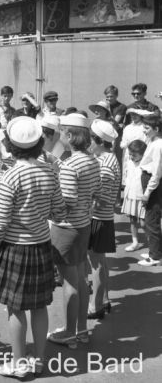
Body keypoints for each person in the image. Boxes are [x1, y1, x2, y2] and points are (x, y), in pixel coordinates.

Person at [0, 117, 66, 377]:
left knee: (16, 308)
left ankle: (19, 363)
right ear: (38, 143)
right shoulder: (49, 172)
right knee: (40, 306)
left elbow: (0, 222)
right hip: (42, 245)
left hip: (15, 248)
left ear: (11, 145)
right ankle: (39, 360)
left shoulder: (10, 176)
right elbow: (59, 211)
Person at [48, 113, 100, 348]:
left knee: (70, 283)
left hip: (66, 229)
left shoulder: (70, 165)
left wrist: (49, 212)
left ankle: (69, 333)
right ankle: (81, 330)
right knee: (80, 279)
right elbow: (95, 191)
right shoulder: (92, 161)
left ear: (69, 135)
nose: (59, 135)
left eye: (61, 131)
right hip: (83, 225)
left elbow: (66, 202)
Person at [87, 119, 120, 319]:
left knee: (96, 263)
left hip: (99, 218)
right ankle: (104, 299)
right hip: (102, 217)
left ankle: (96, 305)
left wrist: (86, 211)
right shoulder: (107, 158)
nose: (89, 144)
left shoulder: (105, 164)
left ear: (98, 141)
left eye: (91, 139)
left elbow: (103, 199)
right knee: (100, 261)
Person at [138, 114, 162, 266]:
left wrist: (147, 193)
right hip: (149, 180)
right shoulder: (153, 141)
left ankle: (155, 257)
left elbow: (157, 172)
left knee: (151, 220)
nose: (144, 130)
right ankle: (156, 250)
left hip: (152, 184)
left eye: (147, 128)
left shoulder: (158, 145)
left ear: (156, 129)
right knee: (151, 218)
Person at [122, 140, 147, 252]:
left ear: (143, 154)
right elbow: (126, 174)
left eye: (134, 155)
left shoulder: (146, 164)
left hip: (142, 196)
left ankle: (154, 245)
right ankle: (135, 242)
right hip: (130, 194)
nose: (131, 157)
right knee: (132, 220)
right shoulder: (129, 162)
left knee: (144, 223)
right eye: (130, 154)